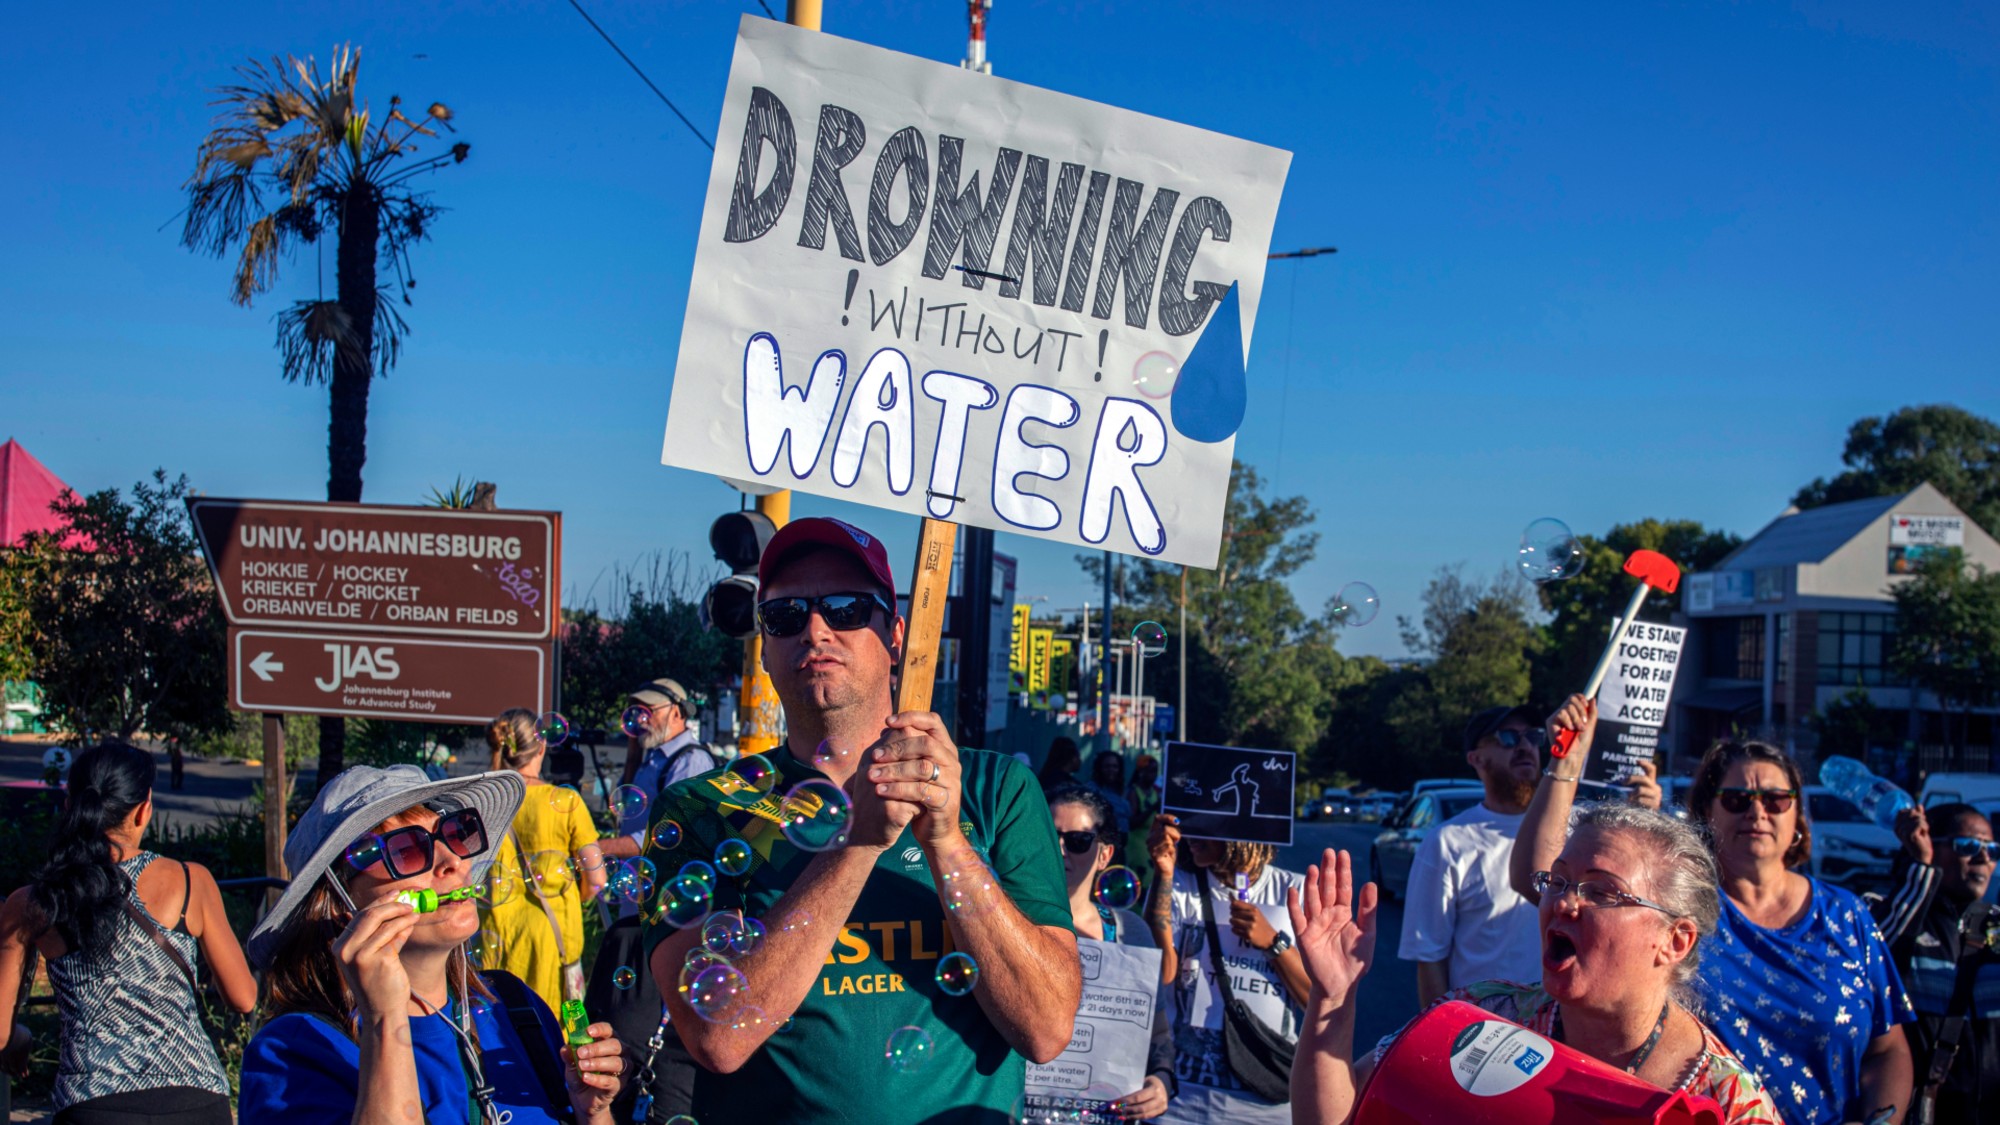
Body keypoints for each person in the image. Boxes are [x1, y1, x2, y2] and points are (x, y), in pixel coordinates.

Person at [640, 515, 1080, 1124]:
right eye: (786, 616)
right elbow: (717, 1037)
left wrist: (947, 841)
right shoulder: (703, 809)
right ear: (764, 647)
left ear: (895, 634)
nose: (817, 629)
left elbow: (1047, 1028)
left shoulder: (994, 789)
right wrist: (856, 845)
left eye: (846, 608)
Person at [1511, 700, 1914, 1125]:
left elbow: (1889, 1049)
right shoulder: (1673, 911)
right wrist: (1565, 761)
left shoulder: (1846, 916)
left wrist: (1882, 1121)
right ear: (1708, 813)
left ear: (1798, 816)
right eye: (1738, 799)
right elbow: (1541, 875)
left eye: (1776, 799)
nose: (1757, 812)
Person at [1285, 803, 1785, 1124]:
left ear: (1674, 941)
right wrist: (1334, 996)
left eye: (1601, 892)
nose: (1565, 904)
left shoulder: (1726, 1103)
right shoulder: (1482, 1015)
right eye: (1560, 882)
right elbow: (1336, 1119)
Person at [238, 764, 625, 1125]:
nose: (453, 860)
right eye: (405, 850)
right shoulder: (293, 1054)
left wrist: (592, 1113)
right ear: (341, 904)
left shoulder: (515, 1005)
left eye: (456, 833)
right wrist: (385, 1017)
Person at [0, 742, 257, 1125]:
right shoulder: (190, 881)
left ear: (70, 807)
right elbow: (243, 997)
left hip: (92, 1104)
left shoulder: (32, 903)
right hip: (195, 1100)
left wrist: (19, 1038)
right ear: (143, 810)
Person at [590, 677, 716, 1123]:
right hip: (635, 913)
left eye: (649, 709)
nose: (639, 718)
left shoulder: (691, 759)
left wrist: (602, 848)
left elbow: (668, 835)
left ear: (676, 712)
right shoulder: (650, 759)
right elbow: (632, 812)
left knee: (650, 1023)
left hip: (666, 916)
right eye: (634, 710)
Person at [1143, 811, 1309, 1124]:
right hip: (1180, 1100)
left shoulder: (1292, 892)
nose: (1190, 835)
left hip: (1262, 1103)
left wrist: (1273, 943)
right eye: (1187, 822)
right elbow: (1164, 974)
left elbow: (1317, 1000)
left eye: (1205, 824)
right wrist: (1163, 874)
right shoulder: (1178, 884)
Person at [1396, 704, 1548, 1006]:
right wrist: (1442, 1040)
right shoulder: (1448, 841)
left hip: (1561, 1027)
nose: (1524, 746)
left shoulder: (1570, 830)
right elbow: (1429, 957)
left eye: (1532, 736)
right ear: (1476, 759)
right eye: (1508, 737)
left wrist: (1645, 806)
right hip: (1486, 1031)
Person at [1047, 785, 1175, 1121]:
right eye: (1048, 835)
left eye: (1077, 840)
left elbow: (1158, 1031)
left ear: (1105, 855)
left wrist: (1161, 1081)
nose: (1060, 849)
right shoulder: (1003, 924)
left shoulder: (1129, 932)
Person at [1868, 801, 1999, 1122]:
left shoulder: (1996, 927)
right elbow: (1874, 959)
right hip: (1917, 1112)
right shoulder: (1888, 912)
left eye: (1993, 849)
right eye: (1967, 845)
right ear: (1927, 844)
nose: (1983, 857)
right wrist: (1920, 868)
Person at [479, 708, 606, 1014]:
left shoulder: (485, 802)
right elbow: (598, 878)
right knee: (552, 1035)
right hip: (554, 935)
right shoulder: (566, 802)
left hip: (496, 932)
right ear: (542, 747)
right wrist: (577, 900)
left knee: (500, 1025)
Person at [1126, 754, 1163, 880]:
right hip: (1137, 845)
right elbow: (1132, 823)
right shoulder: (1134, 792)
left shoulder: (1154, 792)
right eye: (1150, 771)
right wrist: (1153, 807)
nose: (1153, 775)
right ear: (1141, 772)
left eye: (1155, 771)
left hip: (1150, 843)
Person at [1089, 750, 1135, 836]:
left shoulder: (1125, 790)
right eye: (1107, 766)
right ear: (1099, 768)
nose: (1111, 770)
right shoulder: (1092, 789)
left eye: (1115, 766)